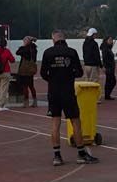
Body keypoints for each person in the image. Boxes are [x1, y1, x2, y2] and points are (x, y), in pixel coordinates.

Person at [41, 31, 97, 166]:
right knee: (75, 122)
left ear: (53, 39)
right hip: (68, 91)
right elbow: (79, 72)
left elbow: (43, 73)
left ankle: (57, 156)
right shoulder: (71, 52)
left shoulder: (48, 53)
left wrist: (52, 79)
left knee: (55, 123)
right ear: (64, 38)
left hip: (53, 92)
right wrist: (69, 75)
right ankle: (81, 153)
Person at [14, 36, 39, 107]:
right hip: (31, 70)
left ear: (27, 41)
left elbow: (17, 52)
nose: (23, 42)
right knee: (31, 86)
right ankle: (35, 101)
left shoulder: (25, 49)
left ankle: (26, 102)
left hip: (24, 70)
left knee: (25, 86)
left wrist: (23, 46)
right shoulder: (34, 49)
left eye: (24, 41)